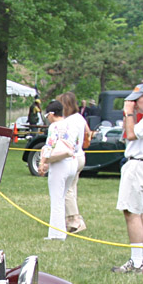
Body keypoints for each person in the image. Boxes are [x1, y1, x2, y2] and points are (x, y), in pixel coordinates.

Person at [112, 82, 143, 273]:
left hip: (140, 164)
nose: (134, 104)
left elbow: (132, 134)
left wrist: (128, 112)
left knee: (131, 212)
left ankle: (137, 261)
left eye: (137, 100)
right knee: (141, 212)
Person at [37, 100, 81, 240]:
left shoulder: (54, 126)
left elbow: (49, 146)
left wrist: (43, 162)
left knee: (56, 199)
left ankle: (56, 234)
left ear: (51, 114)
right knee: (62, 197)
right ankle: (60, 231)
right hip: (72, 162)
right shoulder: (72, 124)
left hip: (60, 164)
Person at [58, 92, 89, 233]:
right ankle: (70, 218)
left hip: (72, 156)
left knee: (67, 189)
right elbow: (88, 133)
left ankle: (76, 220)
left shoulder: (68, 121)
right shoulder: (80, 118)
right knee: (72, 187)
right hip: (81, 155)